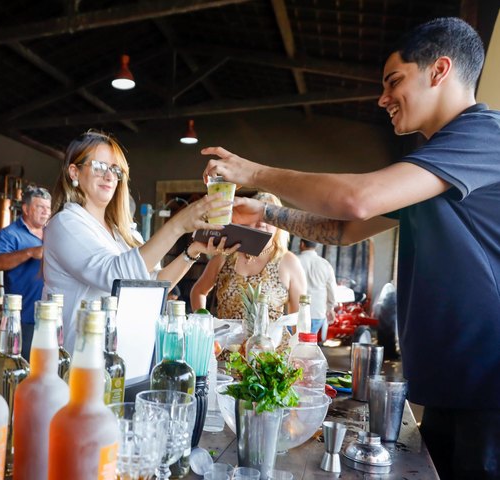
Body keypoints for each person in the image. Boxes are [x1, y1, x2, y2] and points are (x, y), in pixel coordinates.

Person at [202, 18, 500, 479]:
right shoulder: (430, 166)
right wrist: (265, 215)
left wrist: (254, 173)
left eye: (394, 81)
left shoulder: (485, 135)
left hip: (490, 383)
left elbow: (356, 198)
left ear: (439, 71)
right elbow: (342, 227)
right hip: (453, 383)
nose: (382, 99)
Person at [43, 130, 237, 350]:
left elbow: (153, 286)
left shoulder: (123, 233)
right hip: (79, 359)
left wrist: (192, 251)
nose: (109, 176)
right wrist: (177, 225)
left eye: (115, 170)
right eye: (99, 166)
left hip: (122, 355)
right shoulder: (65, 224)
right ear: (74, 172)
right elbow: (116, 277)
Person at [190, 193, 306, 349]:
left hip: (270, 358)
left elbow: (299, 317)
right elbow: (198, 291)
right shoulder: (225, 255)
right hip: (226, 354)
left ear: (279, 225)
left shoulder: (288, 261)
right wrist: (205, 329)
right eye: (256, 215)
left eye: (269, 217)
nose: (262, 222)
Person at [0, 185, 52, 359]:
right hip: (23, 317)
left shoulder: (52, 233)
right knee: (23, 369)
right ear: (25, 208)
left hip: (51, 315)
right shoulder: (10, 234)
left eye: (48, 208)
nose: (46, 212)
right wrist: (30, 252)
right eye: (40, 207)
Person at [297, 239, 337, 335]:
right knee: (308, 343)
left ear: (302, 244)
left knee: (292, 344)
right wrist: (330, 308)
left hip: (295, 313)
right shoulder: (325, 264)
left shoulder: (294, 261)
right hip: (317, 313)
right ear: (316, 246)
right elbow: (332, 290)